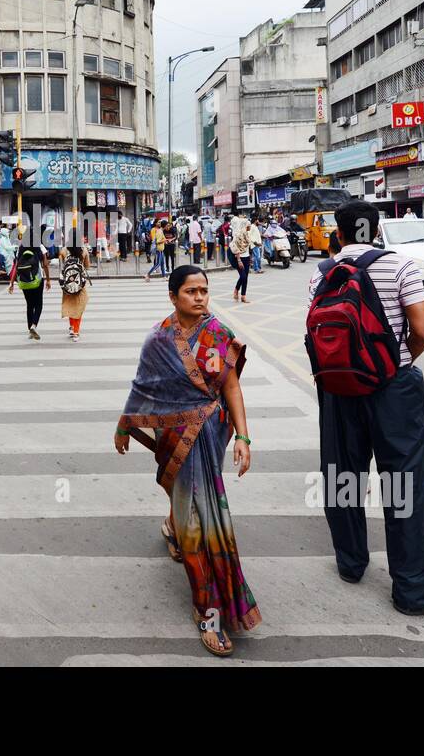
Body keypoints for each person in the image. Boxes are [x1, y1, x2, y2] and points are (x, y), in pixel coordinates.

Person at [307, 200, 424, 617]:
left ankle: (351, 564)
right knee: (403, 484)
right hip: (393, 390)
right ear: (376, 232)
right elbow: (423, 331)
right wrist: (395, 364)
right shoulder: (402, 266)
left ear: (338, 235)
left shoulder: (321, 276)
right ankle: (414, 591)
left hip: (338, 389)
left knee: (343, 475)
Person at [114, 265, 259, 657]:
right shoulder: (158, 339)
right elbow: (144, 385)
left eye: (204, 291)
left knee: (198, 518)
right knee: (191, 515)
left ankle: (205, 604)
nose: (199, 298)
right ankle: (204, 607)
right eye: (191, 291)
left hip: (210, 435)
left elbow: (231, 387)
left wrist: (243, 437)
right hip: (174, 436)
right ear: (173, 295)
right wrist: (126, 424)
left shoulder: (218, 335)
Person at [8, 241, 50, 340]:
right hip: (37, 280)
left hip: (24, 280)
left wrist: (12, 283)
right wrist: (48, 279)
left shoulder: (21, 248)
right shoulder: (39, 246)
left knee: (30, 305)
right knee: (38, 304)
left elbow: (16, 266)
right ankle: (33, 326)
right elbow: (45, 264)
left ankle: (30, 330)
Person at [59, 245, 91, 341]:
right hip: (80, 284)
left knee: (70, 305)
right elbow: (87, 265)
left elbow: (62, 264)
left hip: (68, 283)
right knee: (79, 306)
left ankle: (72, 327)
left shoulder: (64, 250)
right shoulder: (84, 250)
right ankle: (76, 331)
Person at [230, 213, 252, 302]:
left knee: (245, 277)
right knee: (243, 276)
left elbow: (247, 247)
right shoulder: (238, 235)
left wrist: (250, 258)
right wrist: (239, 260)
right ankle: (236, 289)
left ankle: (243, 296)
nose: (249, 227)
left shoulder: (246, 234)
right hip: (239, 258)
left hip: (246, 257)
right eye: (248, 225)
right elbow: (236, 248)